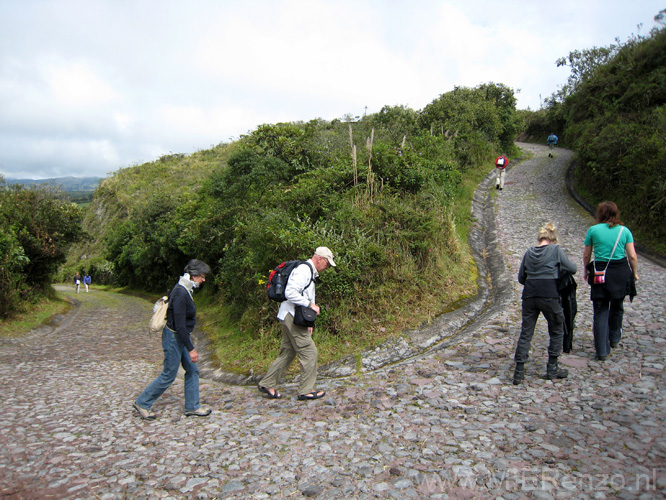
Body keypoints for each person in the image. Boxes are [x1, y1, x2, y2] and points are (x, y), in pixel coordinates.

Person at [134, 259, 212, 420]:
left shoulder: (185, 289)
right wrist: (191, 348)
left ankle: (192, 406)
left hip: (179, 336)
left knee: (192, 369)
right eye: (202, 277)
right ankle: (143, 402)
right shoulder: (181, 292)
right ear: (194, 275)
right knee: (169, 374)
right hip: (174, 337)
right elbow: (180, 325)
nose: (204, 280)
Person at [258, 247, 336, 401]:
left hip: (289, 315)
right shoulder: (304, 271)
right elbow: (290, 292)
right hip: (292, 317)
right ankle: (305, 390)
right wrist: (310, 305)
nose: (327, 268)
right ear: (319, 258)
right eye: (327, 264)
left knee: (288, 352)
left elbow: (304, 293)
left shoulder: (308, 271)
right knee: (309, 352)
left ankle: (267, 383)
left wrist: (309, 322)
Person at [513, 223, 577, 385]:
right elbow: (572, 268)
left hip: (529, 295)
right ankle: (552, 368)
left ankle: (519, 371)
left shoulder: (529, 252)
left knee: (526, 331)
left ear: (540, 238)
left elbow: (521, 278)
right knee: (557, 328)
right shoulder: (556, 250)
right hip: (549, 294)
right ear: (553, 239)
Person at [583, 201, 638, 361]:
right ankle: (614, 338)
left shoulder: (593, 230)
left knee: (600, 309)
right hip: (620, 272)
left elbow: (587, 255)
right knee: (617, 305)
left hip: (601, 272)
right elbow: (632, 256)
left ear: (600, 214)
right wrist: (635, 273)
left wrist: (586, 270)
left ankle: (601, 350)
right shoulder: (624, 231)